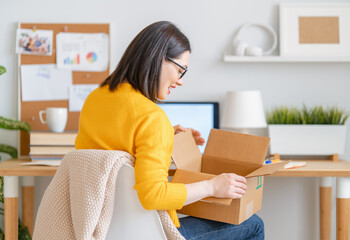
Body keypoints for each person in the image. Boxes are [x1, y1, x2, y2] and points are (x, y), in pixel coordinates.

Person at [75, 21, 264, 240]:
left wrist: (166, 137)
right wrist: (213, 186)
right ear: (157, 58)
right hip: (150, 234)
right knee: (253, 224)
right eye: (180, 70)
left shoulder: (95, 98)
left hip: (103, 229)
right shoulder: (151, 117)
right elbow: (153, 196)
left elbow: (111, 151)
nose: (180, 81)